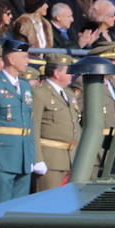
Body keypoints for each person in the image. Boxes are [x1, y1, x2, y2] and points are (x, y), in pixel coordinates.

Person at [0, 38, 37, 203]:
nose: (28, 61)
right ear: (11, 59)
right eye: (24, 57)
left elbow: (29, 123)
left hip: (23, 157)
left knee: (19, 211)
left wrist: (31, 157)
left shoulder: (25, 86)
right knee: (0, 209)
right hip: (2, 157)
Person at [32, 53, 81, 192]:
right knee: (47, 203)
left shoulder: (68, 93)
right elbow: (34, 127)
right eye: (68, 71)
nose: (72, 75)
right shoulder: (40, 93)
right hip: (50, 159)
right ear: (57, 73)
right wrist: (37, 159)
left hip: (70, 158)